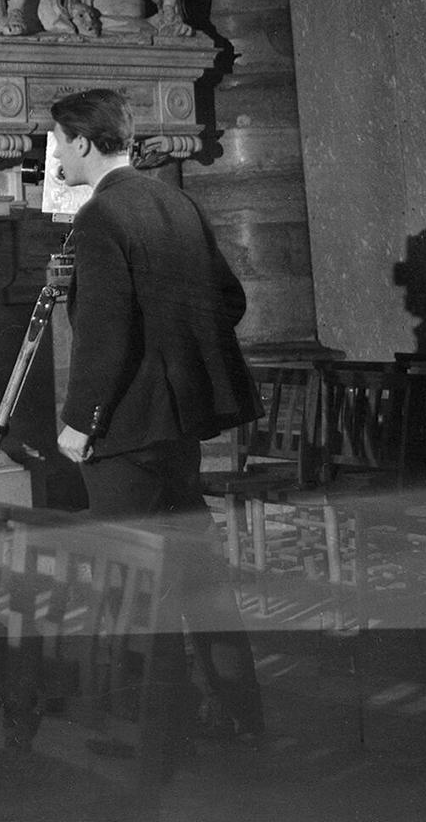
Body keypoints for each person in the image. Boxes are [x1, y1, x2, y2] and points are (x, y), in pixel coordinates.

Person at [50, 87, 265, 738]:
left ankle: (159, 727)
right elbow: (229, 300)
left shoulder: (98, 218)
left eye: (60, 140)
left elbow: (106, 335)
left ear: (84, 142)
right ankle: (238, 710)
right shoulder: (178, 202)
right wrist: (174, 354)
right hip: (178, 422)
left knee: (133, 576)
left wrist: (81, 420)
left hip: (125, 425)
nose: (56, 152)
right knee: (196, 567)